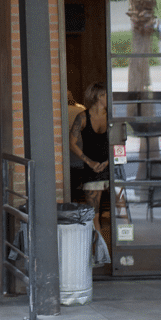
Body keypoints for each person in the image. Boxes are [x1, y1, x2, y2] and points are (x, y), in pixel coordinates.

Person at [69, 82, 109, 234]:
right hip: (92, 170)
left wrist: (107, 162)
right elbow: (71, 144)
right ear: (99, 97)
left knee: (121, 208)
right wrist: (89, 162)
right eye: (106, 95)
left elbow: (119, 141)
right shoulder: (82, 117)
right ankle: (98, 252)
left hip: (110, 168)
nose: (109, 98)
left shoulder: (111, 115)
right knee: (94, 215)